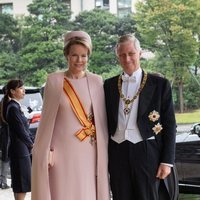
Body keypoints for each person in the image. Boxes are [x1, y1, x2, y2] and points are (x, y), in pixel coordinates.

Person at [31, 30, 110, 200]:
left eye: (84, 55)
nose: (79, 60)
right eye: (75, 55)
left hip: (89, 152)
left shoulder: (97, 81)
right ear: (66, 55)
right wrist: (46, 151)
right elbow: (46, 123)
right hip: (60, 155)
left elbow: (101, 121)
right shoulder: (54, 81)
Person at [104, 34, 177, 200]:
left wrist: (167, 161)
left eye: (131, 53)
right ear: (117, 56)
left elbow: (170, 125)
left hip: (147, 152)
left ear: (140, 53)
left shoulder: (159, 84)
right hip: (117, 152)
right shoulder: (108, 85)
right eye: (122, 55)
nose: (127, 58)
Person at [5, 79, 33, 200]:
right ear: (12, 91)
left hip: (21, 149)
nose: (24, 91)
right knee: (22, 185)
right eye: (21, 88)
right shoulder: (13, 108)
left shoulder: (16, 106)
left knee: (21, 185)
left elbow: (25, 130)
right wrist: (32, 144)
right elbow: (21, 131)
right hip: (19, 150)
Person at [0, 85, 10, 189]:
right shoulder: (6, 101)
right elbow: (4, 119)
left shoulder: (4, 101)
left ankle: (3, 181)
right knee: (6, 157)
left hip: (6, 131)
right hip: (7, 132)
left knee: (6, 156)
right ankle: (3, 181)